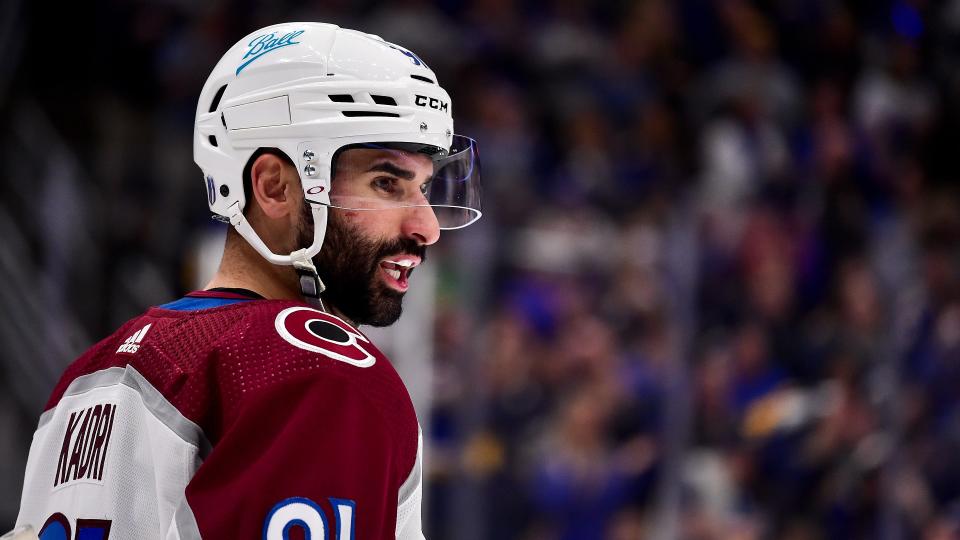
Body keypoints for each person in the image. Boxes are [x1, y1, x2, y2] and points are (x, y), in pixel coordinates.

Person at [11, 22, 481, 540]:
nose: (427, 227)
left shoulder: (91, 371)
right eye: (387, 184)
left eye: (425, 188)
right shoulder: (314, 372)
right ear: (274, 187)